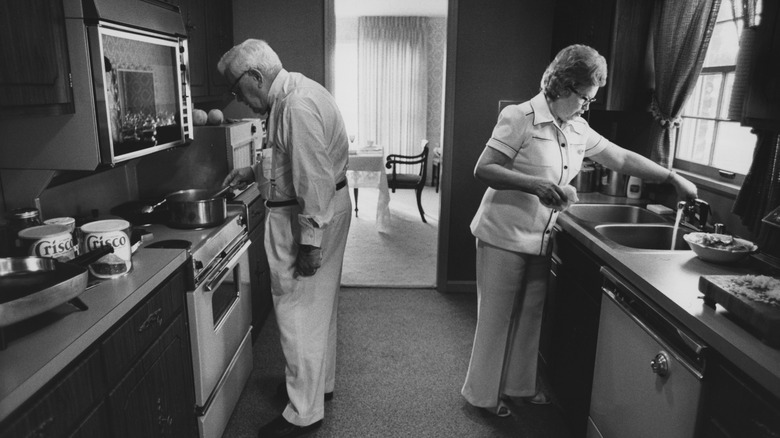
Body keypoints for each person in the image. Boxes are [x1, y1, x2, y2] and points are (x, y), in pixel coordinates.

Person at [461, 44, 698, 417]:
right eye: (585, 98)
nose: (588, 106)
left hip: (540, 237)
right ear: (564, 86)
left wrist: (671, 176)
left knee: (530, 317)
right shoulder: (519, 116)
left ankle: (519, 387)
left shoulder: (577, 128)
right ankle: (482, 395)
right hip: (502, 233)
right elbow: (485, 169)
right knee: (497, 318)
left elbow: (619, 157)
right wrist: (536, 186)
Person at [219, 39, 352, 437]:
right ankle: (316, 388)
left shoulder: (295, 105)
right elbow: (292, 163)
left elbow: (313, 178)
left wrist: (311, 244)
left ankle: (303, 413)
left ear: (255, 77)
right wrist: (252, 175)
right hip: (317, 209)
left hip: (306, 217)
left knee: (297, 315)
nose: (238, 99)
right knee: (317, 311)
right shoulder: (292, 95)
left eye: (236, 89)